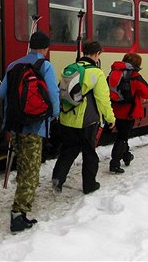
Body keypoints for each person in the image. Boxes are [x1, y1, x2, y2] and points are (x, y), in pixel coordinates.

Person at [0, 31, 60, 233]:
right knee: (31, 171)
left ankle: (20, 207)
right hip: (35, 126)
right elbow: (52, 95)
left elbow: (1, 92)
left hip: (15, 126)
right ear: (45, 48)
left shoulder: (13, 65)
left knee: (24, 166)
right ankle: (18, 215)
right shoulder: (45, 66)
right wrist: (54, 114)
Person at [51, 40, 115, 195]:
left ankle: (58, 179)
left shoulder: (70, 68)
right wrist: (111, 119)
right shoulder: (96, 72)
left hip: (67, 119)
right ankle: (89, 184)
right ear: (97, 54)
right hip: (87, 121)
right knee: (89, 153)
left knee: (68, 150)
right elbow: (103, 99)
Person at [109, 53, 148, 174]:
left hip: (115, 110)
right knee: (122, 137)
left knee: (123, 134)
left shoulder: (114, 72)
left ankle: (126, 156)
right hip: (129, 112)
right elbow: (147, 93)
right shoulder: (134, 76)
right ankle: (114, 163)